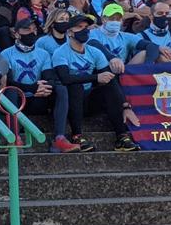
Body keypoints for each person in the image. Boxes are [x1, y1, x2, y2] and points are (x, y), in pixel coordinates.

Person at [52, 14, 141, 152]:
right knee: (75, 86)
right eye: (79, 27)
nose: (84, 31)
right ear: (70, 32)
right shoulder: (61, 52)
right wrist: (95, 78)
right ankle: (77, 136)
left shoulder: (94, 51)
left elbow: (107, 77)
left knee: (110, 83)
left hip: (89, 100)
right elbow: (65, 79)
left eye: (86, 27)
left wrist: (125, 106)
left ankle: (122, 137)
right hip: (69, 103)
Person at [1, 18, 80, 153]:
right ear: (16, 33)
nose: (31, 33)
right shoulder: (5, 53)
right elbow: (7, 82)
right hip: (18, 100)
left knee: (60, 88)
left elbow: (49, 76)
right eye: (27, 29)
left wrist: (45, 87)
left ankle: (59, 138)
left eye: (34, 30)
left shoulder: (42, 54)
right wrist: (32, 88)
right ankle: (14, 137)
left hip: (39, 99)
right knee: (11, 90)